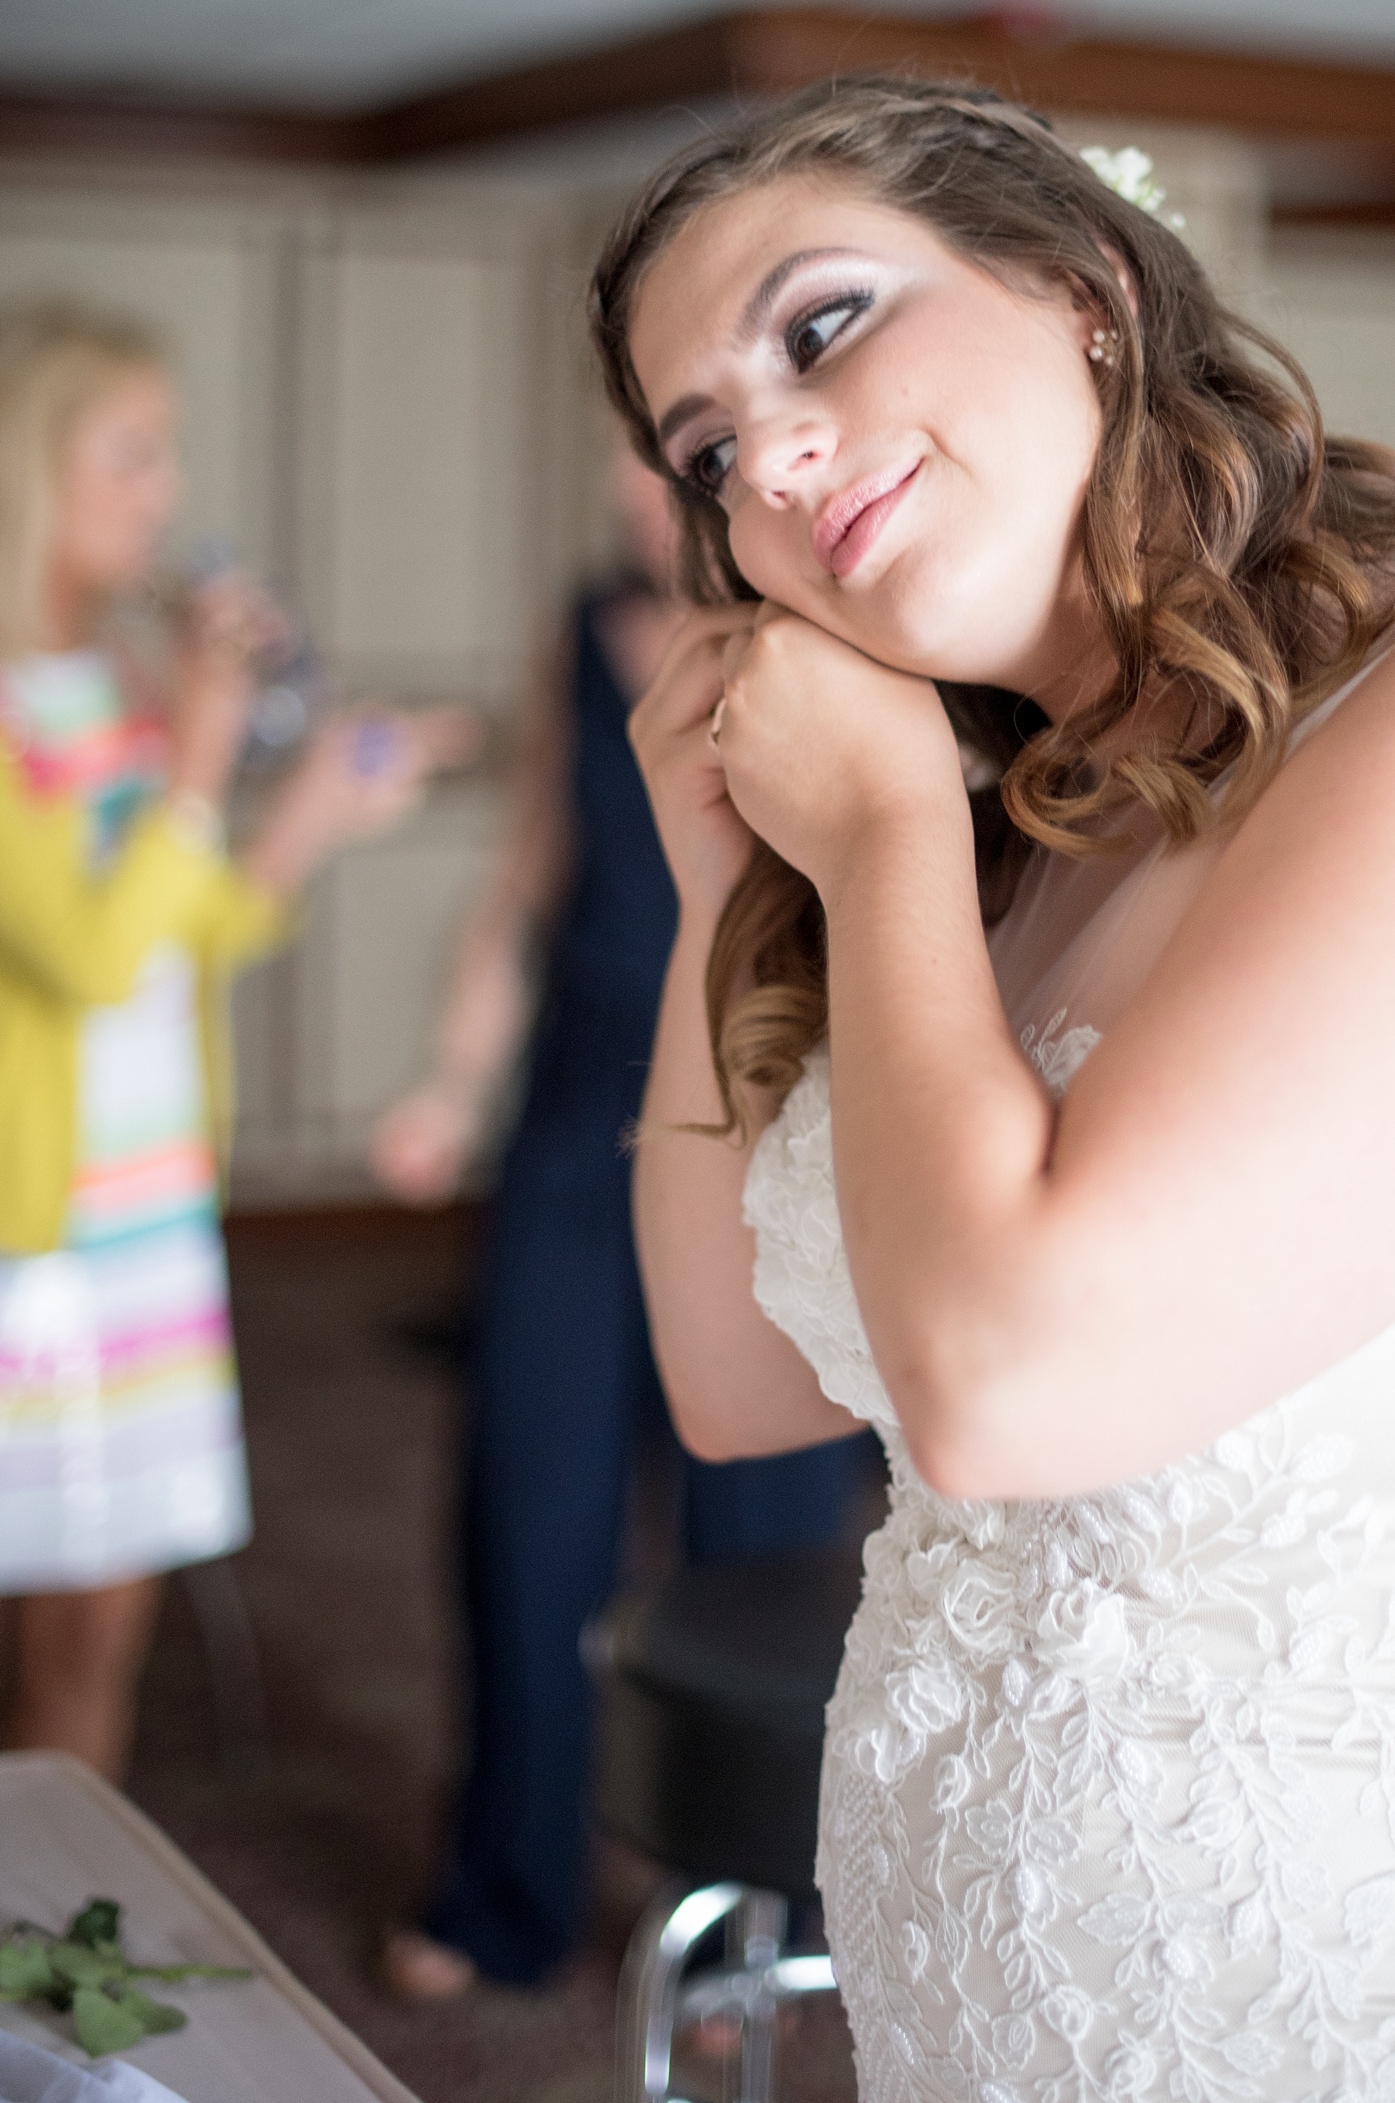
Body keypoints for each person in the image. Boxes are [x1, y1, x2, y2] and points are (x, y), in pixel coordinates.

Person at [595, 77, 1395, 2097]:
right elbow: (738, 1377)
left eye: (817, 327)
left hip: (1385, 2009)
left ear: (1080, 283)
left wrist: (877, 847)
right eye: (706, 448)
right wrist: (712, 895)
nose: (766, 455)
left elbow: (1015, 1386)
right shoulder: (1026, 838)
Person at [370, 451, 869, 1998]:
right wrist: (451, 1077)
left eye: (671, 452)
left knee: (768, 1534)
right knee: (528, 1508)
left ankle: (758, 1928)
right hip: (578, 1119)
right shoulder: (584, 626)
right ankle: (502, 1889)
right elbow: (530, 873)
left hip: (769, 1116)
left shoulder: (832, 655)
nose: (619, 476)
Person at [0, 298, 465, 1783]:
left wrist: (316, 805)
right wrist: (203, 745)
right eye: (132, 453)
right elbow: (85, 954)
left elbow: (193, 934)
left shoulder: (127, 688)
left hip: (144, 1222)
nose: (168, 494)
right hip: (27, 1240)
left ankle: (48, 1964)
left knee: (100, 1627)